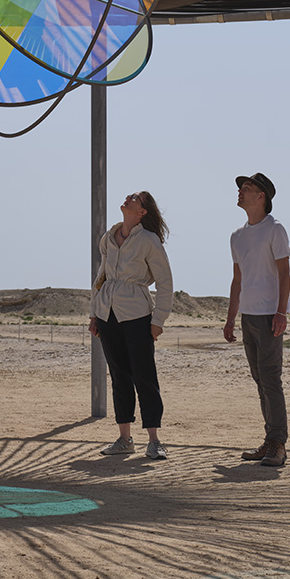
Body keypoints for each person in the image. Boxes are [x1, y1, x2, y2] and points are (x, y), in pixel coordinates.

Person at [89, 191, 173, 460]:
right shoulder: (108, 237)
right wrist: (94, 313)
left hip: (137, 314)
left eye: (134, 198)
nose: (127, 199)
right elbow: (101, 276)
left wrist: (158, 320)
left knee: (144, 376)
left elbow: (165, 282)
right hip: (107, 313)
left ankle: (154, 440)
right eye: (127, 197)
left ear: (143, 211)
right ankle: (124, 438)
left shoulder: (149, 241)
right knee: (119, 376)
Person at [223, 173, 290, 467]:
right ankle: (269, 440)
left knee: (271, 379)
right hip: (248, 316)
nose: (240, 192)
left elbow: (285, 273)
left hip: (268, 316)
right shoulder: (237, 236)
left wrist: (281, 312)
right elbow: (237, 280)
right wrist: (230, 319)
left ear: (261, 196)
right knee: (260, 380)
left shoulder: (275, 230)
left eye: (247, 188)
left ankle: (278, 443)